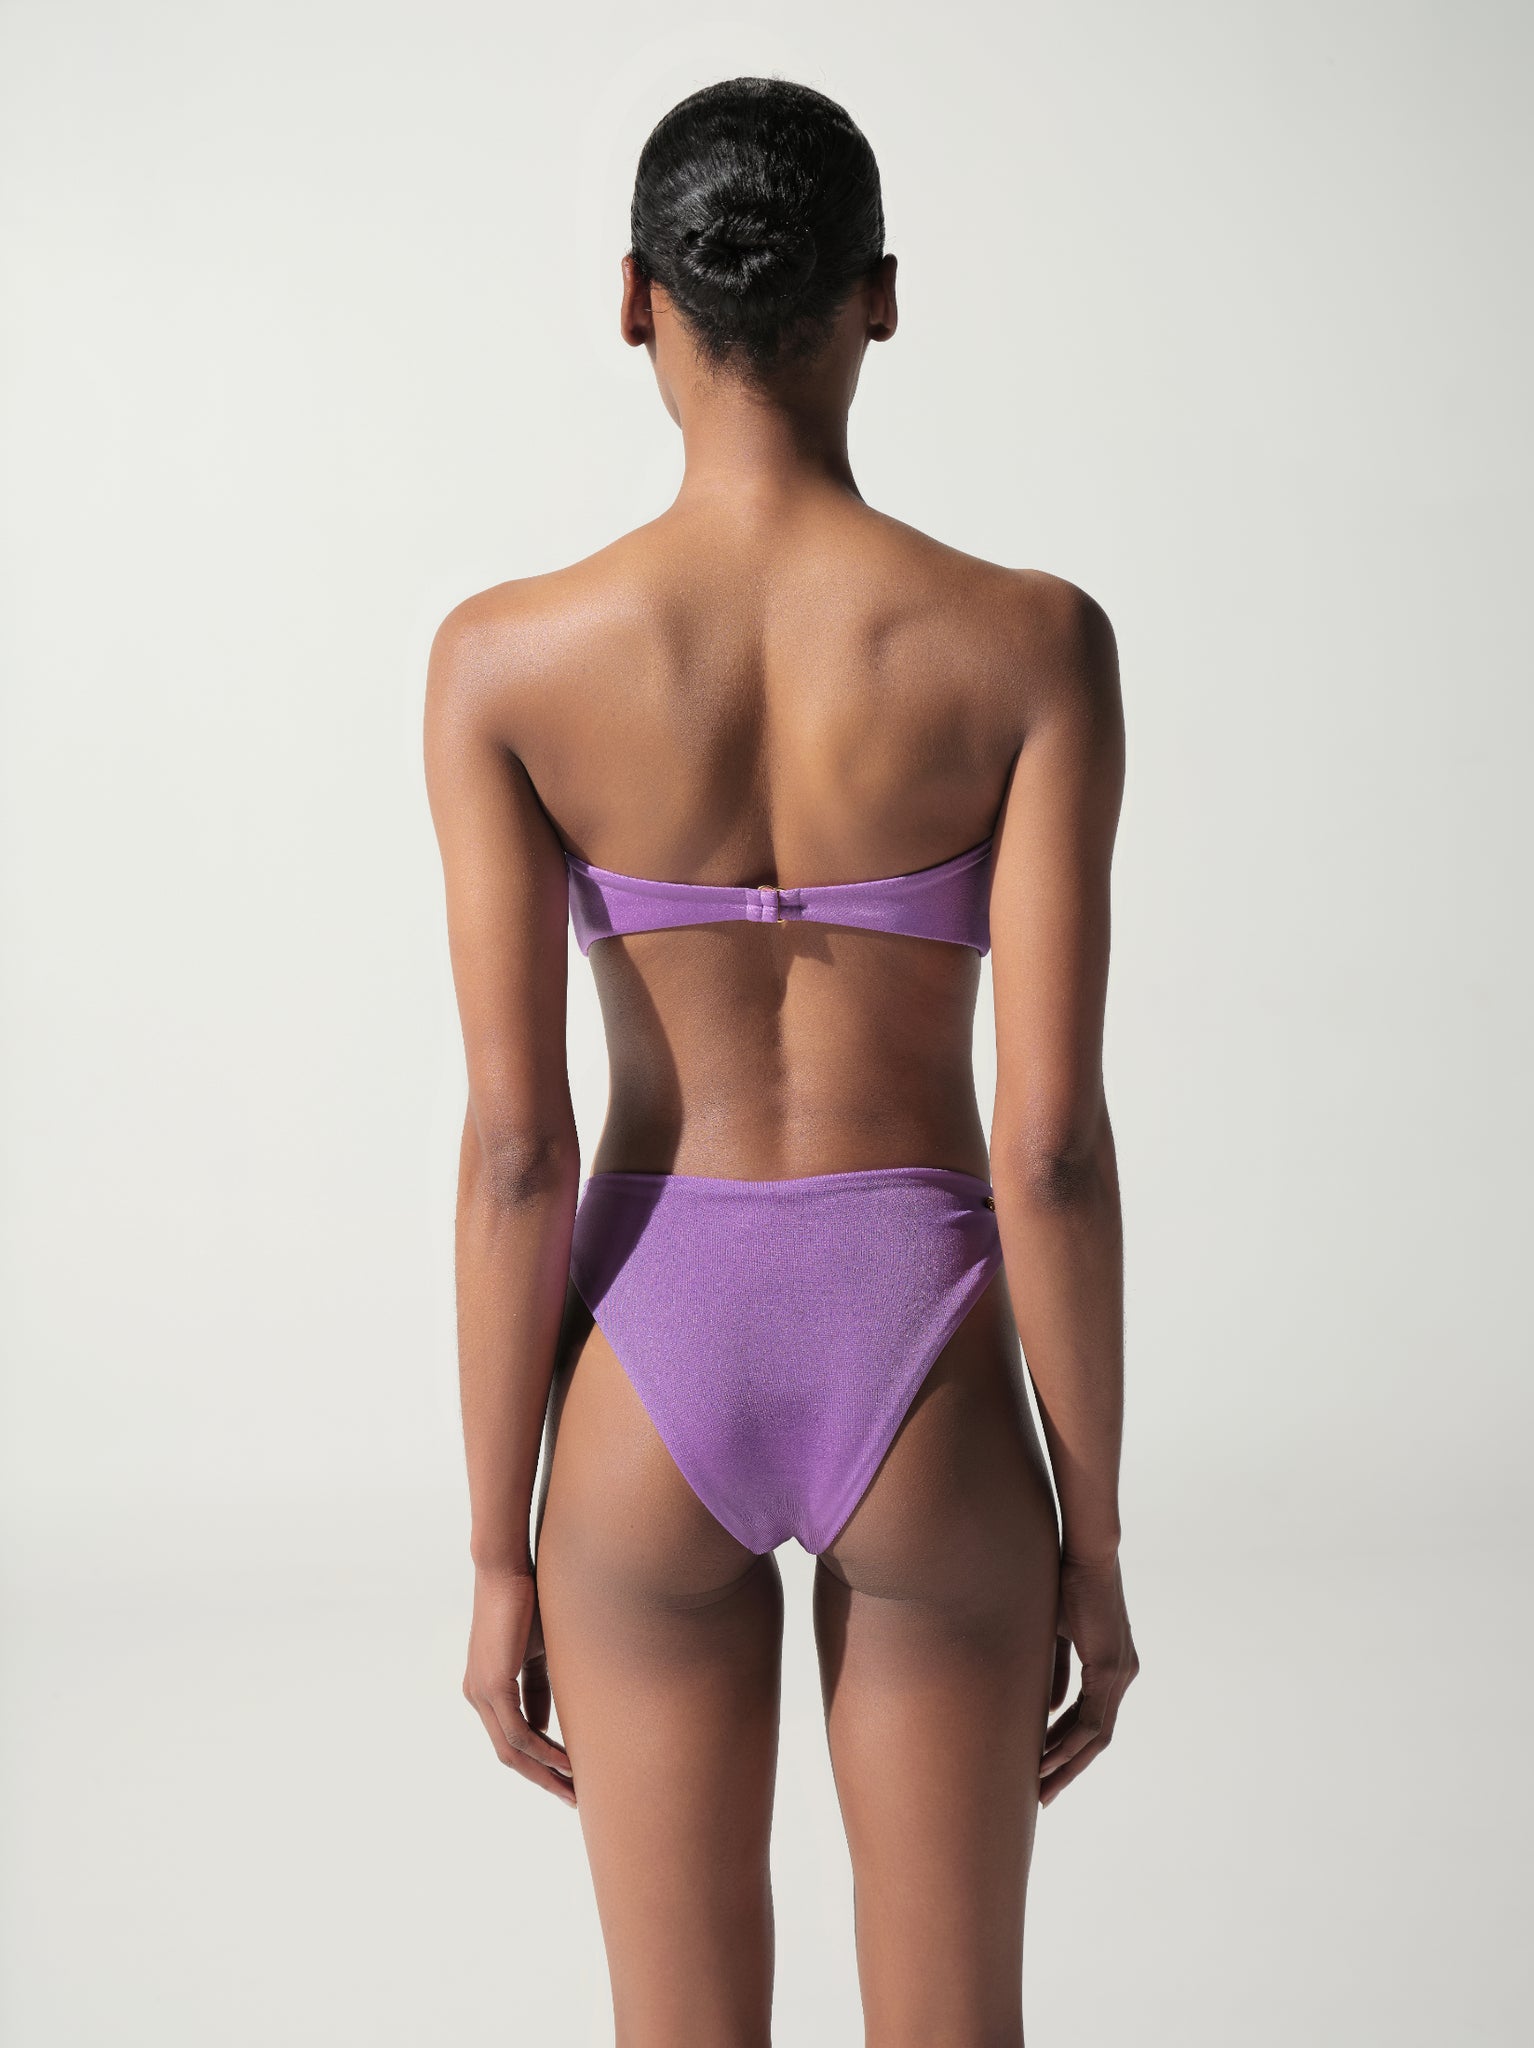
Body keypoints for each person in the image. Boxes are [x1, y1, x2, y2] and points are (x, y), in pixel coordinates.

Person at [424, 74, 1137, 2047]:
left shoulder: (503, 660)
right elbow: (1053, 1147)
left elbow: (515, 1148)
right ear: (878, 296)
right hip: (926, 1348)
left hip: (652, 1360)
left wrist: (495, 1555)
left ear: (633, 299)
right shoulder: (1031, 645)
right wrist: (1092, 1539)